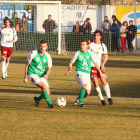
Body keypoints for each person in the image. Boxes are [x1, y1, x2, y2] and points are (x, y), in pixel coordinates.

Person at [65, 39, 106, 107]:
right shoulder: (77, 53)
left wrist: (100, 72)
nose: (81, 46)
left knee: (87, 92)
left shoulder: (90, 53)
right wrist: (70, 70)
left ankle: (78, 99)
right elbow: (71, 63)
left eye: (83, 45)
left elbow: (96, 63)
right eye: (81, 44)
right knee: (84, 85)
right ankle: (80, 103)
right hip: (79, 72)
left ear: (87, 46)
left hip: (87, 74)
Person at [23, 40, 54, 109]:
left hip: (42, 75)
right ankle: (50, 104)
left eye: (44, 46)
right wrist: (25, 77)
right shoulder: (33, 54)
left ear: (46, 47)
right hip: (32, 74)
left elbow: (49, 68)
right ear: (39, 46)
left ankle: (37, 99)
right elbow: (27, 65)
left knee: (48, 93)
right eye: (41, 46)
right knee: (43, 87)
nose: (42, 48)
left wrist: (46, 75)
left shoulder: (48, 56)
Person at [89, 30, 113, 106]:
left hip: (99, 66)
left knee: (103, 80)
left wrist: (103, 65)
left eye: (97, 35)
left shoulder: (103, 45)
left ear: (100, 36)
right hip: (91, 66)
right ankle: (102, 99)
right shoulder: (89, 44)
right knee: (95, 82)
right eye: (95, 35)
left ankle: (109, 97)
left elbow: (106, 56)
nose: (96, 37)